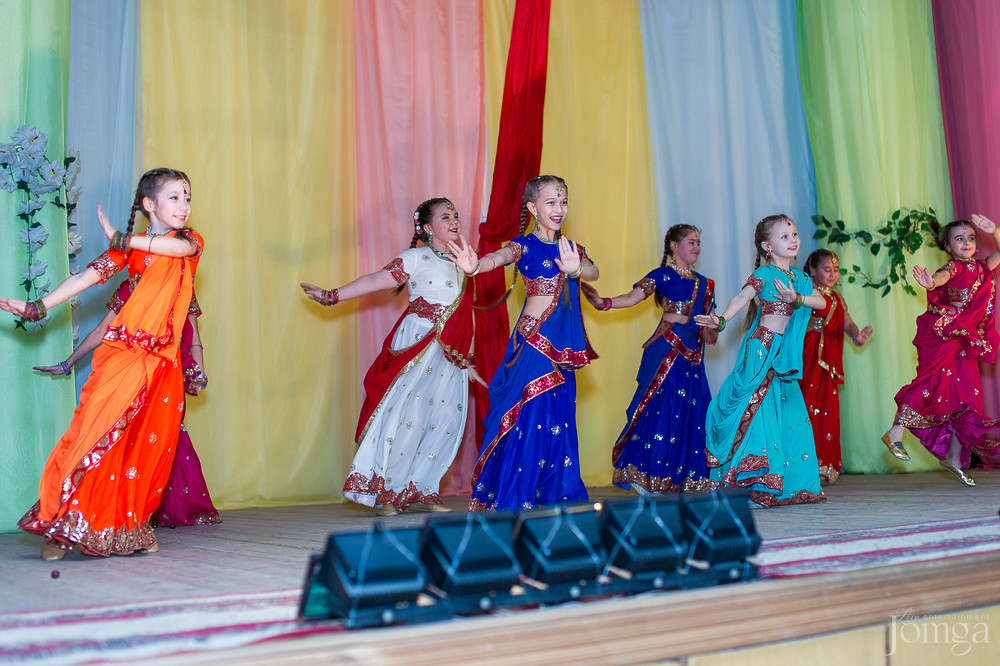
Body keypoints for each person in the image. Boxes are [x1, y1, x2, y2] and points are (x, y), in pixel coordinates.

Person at [0, 168, 203, 558]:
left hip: (162, 365)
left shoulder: (190, 241)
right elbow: (85, 277)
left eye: (187, 197)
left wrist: (124, 239)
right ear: (149, 204)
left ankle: (126, 527)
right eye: (174, 197)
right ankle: (61, 526)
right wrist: (36, 306)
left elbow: (178, 251)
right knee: (91, 432)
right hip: (124, 356)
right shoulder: (129, 248)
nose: (184, 205)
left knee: (145, 449)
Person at [301, 198, 485, 516]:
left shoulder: (465, 260)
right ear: (427, 228)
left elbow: (466, 311)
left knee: (443, 421)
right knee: (404, 417)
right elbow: (374, 280)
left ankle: (419, 489)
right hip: (418, 346)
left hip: (450, 354)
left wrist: (466, 358)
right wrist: (332, 295)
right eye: (445, 217)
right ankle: (385, 492)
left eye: (456, 215)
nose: (454, 220)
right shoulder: (415, 257)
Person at [455, 175, 599, 512]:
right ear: (533, 208)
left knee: (559, 417)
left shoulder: (572, 250)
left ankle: (552, 493)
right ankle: (517, 495)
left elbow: (593, 272)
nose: (559, 209)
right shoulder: (523, 245)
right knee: (529, 415)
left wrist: (578, 270)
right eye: (551, 202)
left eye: (563, 202)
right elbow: (498, 258)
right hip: (533, 343)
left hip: (564, 350)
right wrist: (476, 266)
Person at [34, 279, 220, 527]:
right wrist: (68, 363)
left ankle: (149, 509)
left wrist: (199, 372)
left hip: (168, 377)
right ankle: (121, 511)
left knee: (164, 438)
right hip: (132, 377)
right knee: (127, 438)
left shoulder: (182, 286)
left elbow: (193, 336)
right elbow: (102, 331)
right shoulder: (131, 286)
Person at [694, 214, 826, 507]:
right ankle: (754, 483)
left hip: (785, 357)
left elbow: (822, 302)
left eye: (794, 234)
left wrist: (798, 299)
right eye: (784, 236)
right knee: (757, 414)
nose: (793, 240)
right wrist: (721, 320)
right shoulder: (765, 276)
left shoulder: (802, 279)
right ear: (767, 246)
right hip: (762, 350)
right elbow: (742, 298)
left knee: (789, 416)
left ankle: (786, 485)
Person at [581, 224, 716, 494]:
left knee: (692, 413)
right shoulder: (663, 276)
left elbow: (711, 339)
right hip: (666, 351)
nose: (697, 248)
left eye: (699, 243)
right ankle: (648, 476)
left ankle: (684, 479)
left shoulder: (707, 284)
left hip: (692, 358)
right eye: (691, 242)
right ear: (674, 247)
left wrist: (713, 325)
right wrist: (602, 303)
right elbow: (632, 298)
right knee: (659, 410)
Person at [880, 215, 1000, 486]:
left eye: (971, 238)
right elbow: (942, 276)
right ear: (947, 246)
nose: (967, 242)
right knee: (931, 384)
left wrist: (994, 230)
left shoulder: (982, 268)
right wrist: (932, 283)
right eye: (959, 239)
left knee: (966, 401)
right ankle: (895, 432)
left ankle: (955, 459)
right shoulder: (954, 266)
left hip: (965, 341)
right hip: (947, 337)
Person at [799, 249, 873, 483]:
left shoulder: (838, 298)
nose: (832, 274)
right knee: (807, 409)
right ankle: (802, 466)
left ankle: (825, 465)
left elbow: (847, 323)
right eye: (827, 270)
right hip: (808, 358)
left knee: (827, 412)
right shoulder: (806, 293)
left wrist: (857, 336)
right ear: (813, 270)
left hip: (827, 362)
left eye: (835, 270)